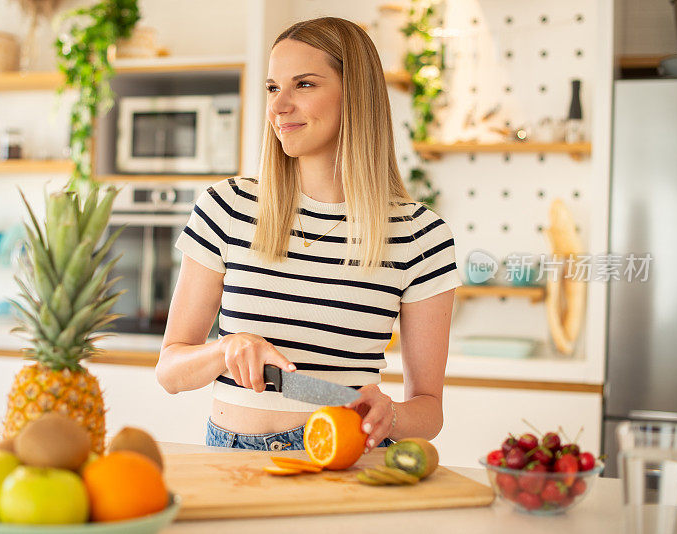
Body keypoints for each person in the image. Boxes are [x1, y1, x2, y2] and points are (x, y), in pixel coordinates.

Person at [156, 17, 460, 453]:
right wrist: (226, 351)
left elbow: (429, 411)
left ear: (354, 96)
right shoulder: (228, 207)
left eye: (303, 85)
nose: (279, 106)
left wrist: (390, 414)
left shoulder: (420, 236)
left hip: (348, 460)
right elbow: (170, 370)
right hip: (231, 459)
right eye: (272, 87)